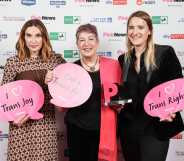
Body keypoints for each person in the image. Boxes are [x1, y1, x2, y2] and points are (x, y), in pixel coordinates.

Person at [46, 23, 121, 161]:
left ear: (97, 42)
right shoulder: (70, 69)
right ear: (77, 44)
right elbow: (61, 107)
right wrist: (52, 85)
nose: (87, 44)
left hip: (105, 130)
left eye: (91, 39)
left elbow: (121, 97)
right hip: (77, 130)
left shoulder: (113, 65)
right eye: (82, 40)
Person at [117, 10, 184, 161]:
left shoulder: (165, 53)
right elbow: (124, 92)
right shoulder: (123, 59)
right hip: (129, 129)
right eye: (131, 27)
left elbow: (178, 88)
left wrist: (172, 110)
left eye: (140, 27)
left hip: (155, 127)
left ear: (149, 31)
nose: (135, 32)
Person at [1, 19, 65, 161]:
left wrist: (55, 80)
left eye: (38, 35)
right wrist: (13, 119)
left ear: (44, 38)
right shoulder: (14, 62)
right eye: (29, 35)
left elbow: (69, 88)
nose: (33, 40)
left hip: (45, 125)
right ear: (23, 38)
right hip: (21, 128)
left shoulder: (55, 60)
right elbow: (3, 99)